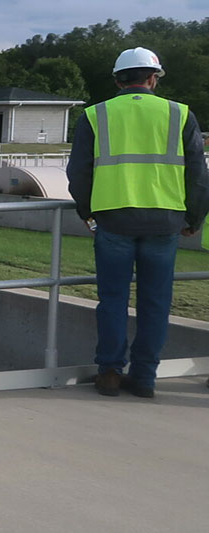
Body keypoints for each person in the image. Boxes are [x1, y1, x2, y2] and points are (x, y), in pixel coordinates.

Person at [66, 47, 208, 398]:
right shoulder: (180, 114)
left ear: (118, 79)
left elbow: (78, 172)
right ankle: (144, 377)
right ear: (152, 78)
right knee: (155, 302)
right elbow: (198, 175)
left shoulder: (95, 115)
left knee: (112, 300)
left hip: (113, 220)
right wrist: (193, 217)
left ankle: (111, 372)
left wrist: (87, 212)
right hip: (164, 222)